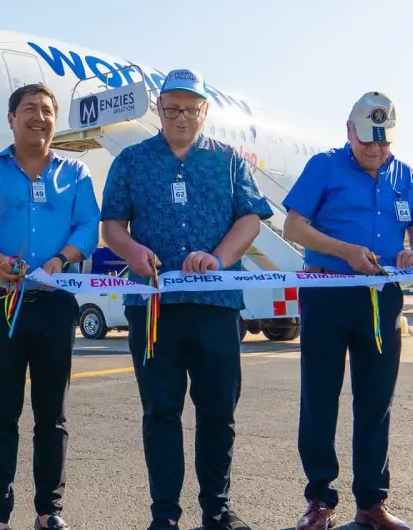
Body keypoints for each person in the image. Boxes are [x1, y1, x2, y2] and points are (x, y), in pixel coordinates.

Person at [100, 69, 274, 530]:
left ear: (205, 111)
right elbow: (112, 224)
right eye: (172, 107)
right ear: (158, 108)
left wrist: (218, 258)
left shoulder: (229, 161)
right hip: (154, 311)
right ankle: (165, 516)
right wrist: (133, 251)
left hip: (216, 305)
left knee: (218, 409)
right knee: (161, 412)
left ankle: (217, 509)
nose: (181, 116)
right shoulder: (132, 161)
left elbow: (251, 220)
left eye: (190, 109)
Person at [282, 92, 413, 530]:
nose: (375, 149)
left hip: (381, 299)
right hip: (328, 292)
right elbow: (294, 226)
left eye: (384, 141)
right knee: (320, 398)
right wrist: (344, 251)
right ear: (349, 131)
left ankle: (371, 501)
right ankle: (319, 500)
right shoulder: (324, 166)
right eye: (367, 139)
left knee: (376, 401)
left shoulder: (404, 175)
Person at [0, 83, 101, 530]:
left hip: (54, 304)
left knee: (51, 414)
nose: (38, 117)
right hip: (2, 305)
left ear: (55, 119)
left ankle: (48, 511)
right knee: (1, 413)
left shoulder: (75, 172)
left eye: (46, 110)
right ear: (11, 118)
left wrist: (61, 260)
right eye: (28, 109)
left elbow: (87, 227)